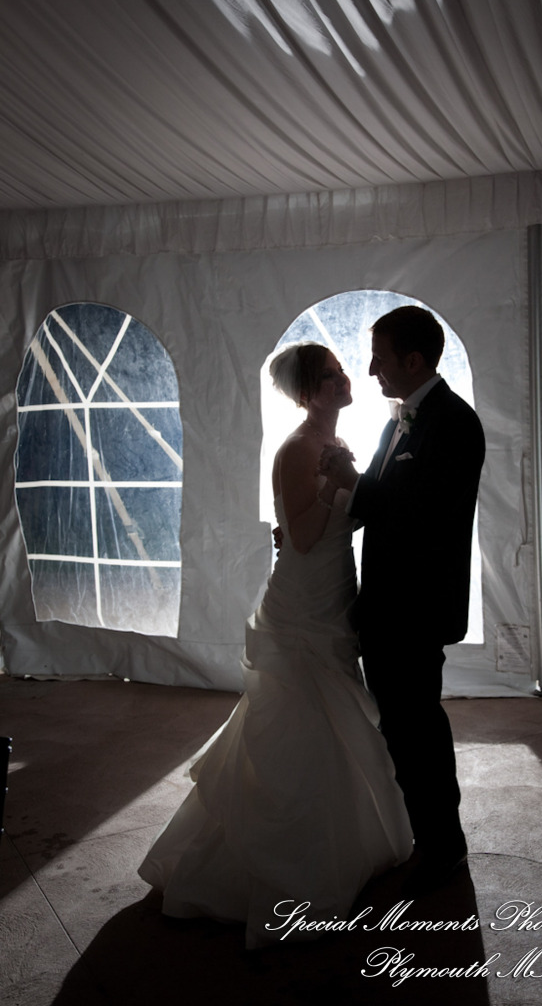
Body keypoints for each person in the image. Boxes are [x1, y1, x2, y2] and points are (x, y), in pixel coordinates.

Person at [138, 342, 412, 949]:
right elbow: (305, 537)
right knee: (295, 716)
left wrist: (351, 484)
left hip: (336, 592)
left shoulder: (337, 441)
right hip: (304, 599)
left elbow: (351, 515)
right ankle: (278, 868)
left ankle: (343, 840)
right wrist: (339, 484)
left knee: (337, 713)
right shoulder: (297, 449)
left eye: (343, 371)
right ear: (309, 392)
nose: (346, 379)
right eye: (331, 376)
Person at [320, 306, 485, 896]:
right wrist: (317, 519)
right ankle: (428, 839)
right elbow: (374, 503)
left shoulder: (454, 424)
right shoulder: (398, 424)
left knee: (419, 732)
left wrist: (347, 477)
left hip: (416, 609)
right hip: (386, 607)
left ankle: (444, 848)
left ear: (413, 361)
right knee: (400, 729)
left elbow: (419, 517)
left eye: (380, 358)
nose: (370, 371)